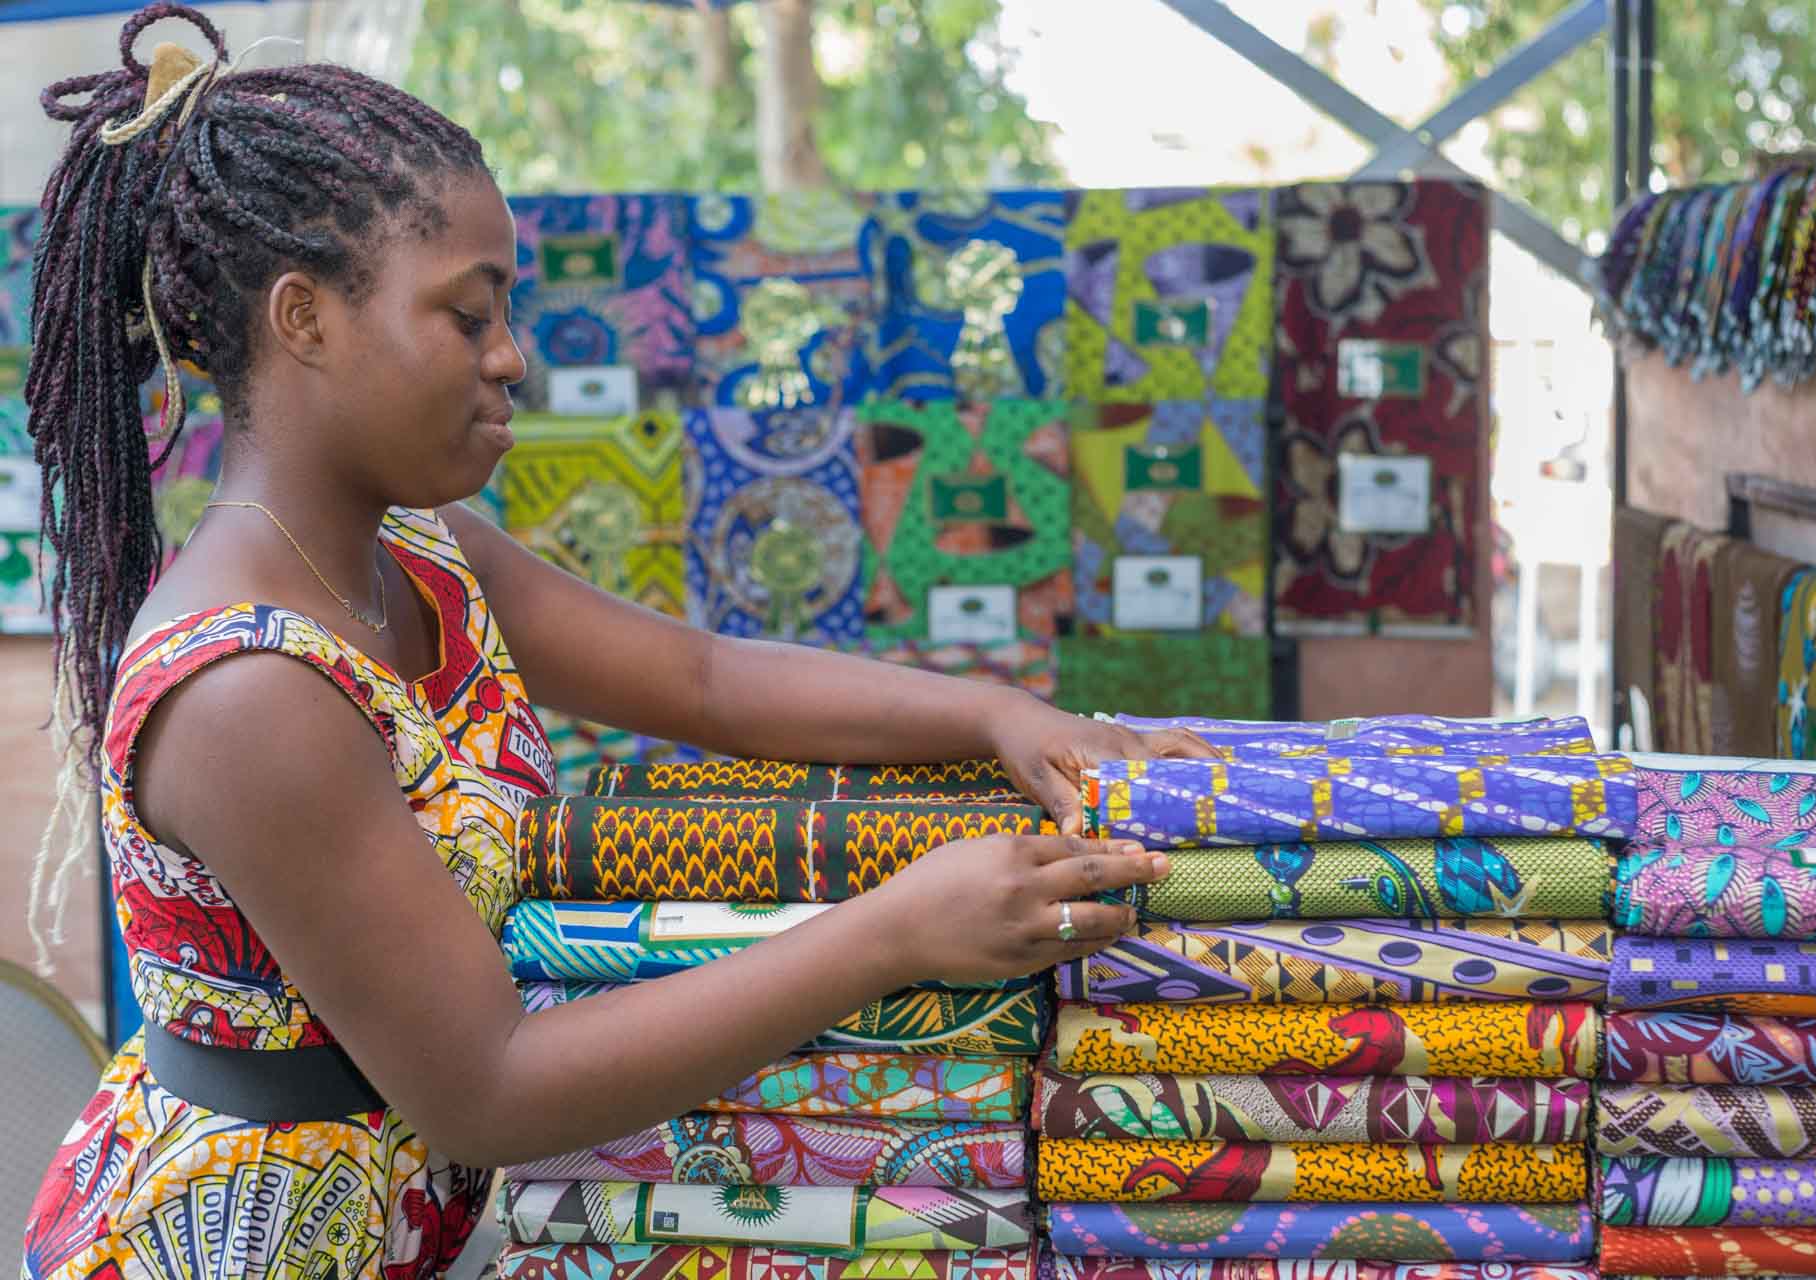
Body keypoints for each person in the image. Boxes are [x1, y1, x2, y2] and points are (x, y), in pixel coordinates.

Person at [19, 6, 1215, 1277]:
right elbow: (488, 1084)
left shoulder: (424, 553)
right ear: (303, 318)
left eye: (507, 312)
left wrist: (996, 714)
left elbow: (705, 679)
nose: (512, 357)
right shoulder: (246, 690)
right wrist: (897, 931)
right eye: (466, 314)